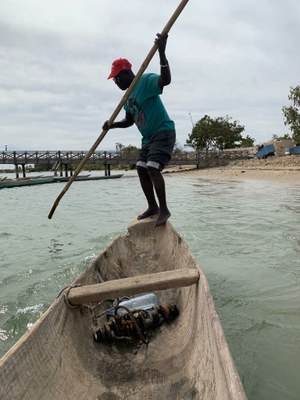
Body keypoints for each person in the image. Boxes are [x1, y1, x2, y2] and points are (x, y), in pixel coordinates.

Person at [103, 33, 176, 227]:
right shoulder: (127, 99)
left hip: (163, 132)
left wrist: (162, 51)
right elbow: (128, 121)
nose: (116, 82)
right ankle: (153, 207)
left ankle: (164, 209)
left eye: (117, 78)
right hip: (148, 139)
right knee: (141, 168)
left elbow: (166, 80)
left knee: (152, 167)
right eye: (114, 80)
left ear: (127, 73)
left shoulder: (144, 81)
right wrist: (111, 126)